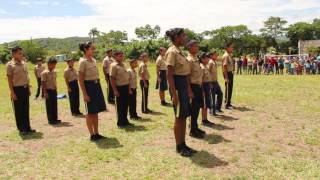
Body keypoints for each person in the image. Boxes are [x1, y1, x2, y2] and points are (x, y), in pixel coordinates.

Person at [165, 28, 197, 157]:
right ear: (177, 37)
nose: (185, 37)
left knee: (183, 116)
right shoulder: (172, 52)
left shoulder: (179, 51)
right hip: (177, 86)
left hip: (183, 85)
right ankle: (179, 146)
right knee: (179, 118)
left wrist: (188, 89)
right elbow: (169, 74)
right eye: (183, 35)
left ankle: (183, 144)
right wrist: (174, 94)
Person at [78, 41, 106, 141]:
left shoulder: (93, 60)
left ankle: (97, 132)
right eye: (91, 48)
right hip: (88, 87)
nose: (93, 49)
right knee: (89, 113)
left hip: (96, 86)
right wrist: (85, 94)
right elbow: (80, 79)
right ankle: (92, 134)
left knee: (95, 111)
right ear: (85, 49)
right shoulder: (82, 62)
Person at [6, 46, 36, 135]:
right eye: (19, 53)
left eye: (21, 53)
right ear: (14, 54)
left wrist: (28, 88)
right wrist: (12, 92)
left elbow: (26, 76)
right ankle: (21, 129)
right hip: (16, 89)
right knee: (19, 110)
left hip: (25, 88)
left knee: (26, 109)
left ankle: (27, 127)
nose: (21, 54)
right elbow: (9, 80)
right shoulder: (10, 65)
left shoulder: (23, 63)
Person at [186, 40, 206, 139]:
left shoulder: (195, 58)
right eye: (196, 46)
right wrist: (189, 90)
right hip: (192, 86)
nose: (197, 48)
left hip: (197, 86)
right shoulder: (189, 60)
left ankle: (195, 127)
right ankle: (192, 130)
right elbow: (187, 76)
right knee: (193, 109)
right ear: (190, 47)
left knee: (197, 108)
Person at [110, 50, 132, 128]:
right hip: (119, 87)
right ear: (115, 57)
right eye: (120, 56)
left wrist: (129, 88)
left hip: (126, 86)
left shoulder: (123, 64)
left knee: (125, 105)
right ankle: (120, 122)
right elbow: (112, 78)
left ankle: (125, 120)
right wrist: (115, 90)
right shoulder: (113, 65)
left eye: (122, 55)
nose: (122, 57)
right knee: (120, 106)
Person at [41, 57, 62, 125]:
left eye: (55, 64)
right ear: (49, 64)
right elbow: (43, 83)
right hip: (48, 90)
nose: (54, 66)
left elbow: (54, 81)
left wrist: (56, 89)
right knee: (49, 106)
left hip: (53, 90)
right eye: (53, 64)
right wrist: (45, 92)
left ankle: (55, 118)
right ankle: (51, 120)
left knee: (54, 105)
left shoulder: (54, 71)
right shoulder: (44, 73)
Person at [199, 52, 216, 127]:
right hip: (204, 86)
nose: (208, 59)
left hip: (207, 85)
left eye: (208, 57)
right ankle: (203, 120)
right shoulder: (201, 67)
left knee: (206, 103)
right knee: (204, 104)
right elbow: (201, 80)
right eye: (206, 58)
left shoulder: (205, 66)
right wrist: (202, 90)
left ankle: (205, 119)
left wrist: (210, 84)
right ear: (202, 59)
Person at [209, 51, 223, 115]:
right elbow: (208, 72)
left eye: (217, 55)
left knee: (220, 93)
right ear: (211, 56)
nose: (216, 56)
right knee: (212, 96)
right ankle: (212, 111)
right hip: (211, 82)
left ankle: (217, 108)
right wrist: (209, 83)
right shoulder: (210, 62)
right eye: (215, 55)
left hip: (215, 81)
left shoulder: (214, 62)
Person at [222, 42, 235, 109]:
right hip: (227, 73)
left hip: (230, 73)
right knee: (228, 88)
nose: (232, 48)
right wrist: (226, 77)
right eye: (231, 47)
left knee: (230, 88)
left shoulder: (229, 55)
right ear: (227, 48)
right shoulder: (226, 56)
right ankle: (227, 104)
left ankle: (228, 102)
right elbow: (224, 66)